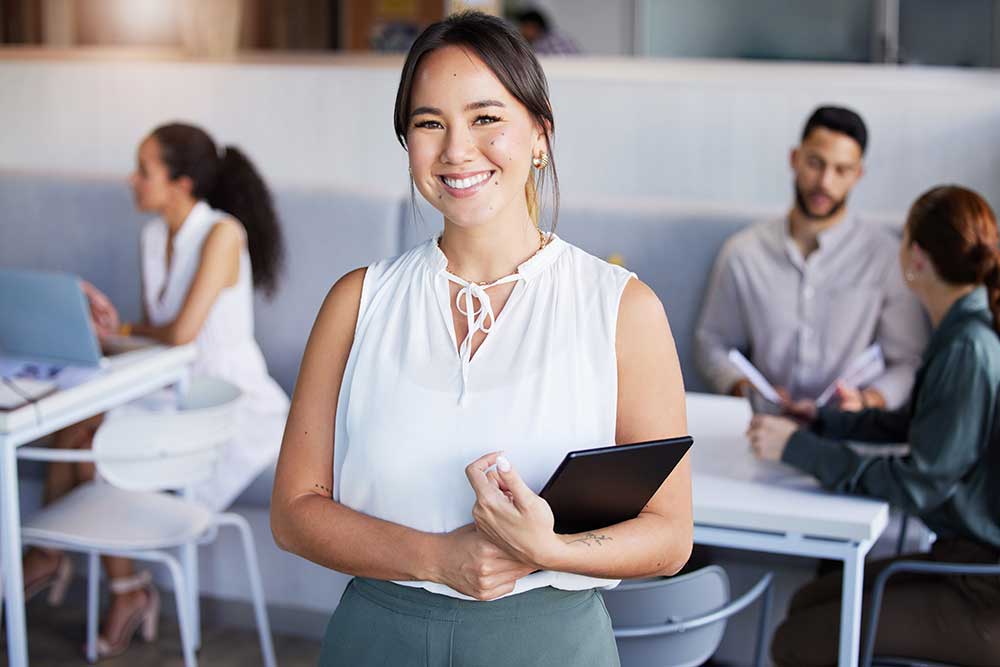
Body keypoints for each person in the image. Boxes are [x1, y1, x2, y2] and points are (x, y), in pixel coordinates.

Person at [270, 12, 691, 667]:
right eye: (429, 123)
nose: (457, 150)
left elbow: (670, 536)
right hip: (376, 637)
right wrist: (439, 557)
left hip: (547, 642)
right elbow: (294, 511)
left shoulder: (621, 308)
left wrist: (547, 550)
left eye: (486, 118)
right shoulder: (358, 300)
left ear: (540, 134)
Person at [21, 122, 290, 659]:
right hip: (168, 387)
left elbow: (180, 333)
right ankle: (113, 585)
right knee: (72, 425)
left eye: (144, 170)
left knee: (93, 443)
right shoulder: (151, 237)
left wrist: (117, 332)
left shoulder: (222, 234)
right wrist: (99, 330)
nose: (132, 179)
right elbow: (157, 329)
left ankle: (63, 562)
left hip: (222, 400)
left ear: (182, 183)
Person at [748, 185, 1000, 666]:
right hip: (964, 563)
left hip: (981, 587)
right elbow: (916, 426)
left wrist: (799, 448)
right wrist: (825, 421)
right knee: (806, 603)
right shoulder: (963, 331)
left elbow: (920, 484)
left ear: (917, 259)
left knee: (797, 640)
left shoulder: (968, 347)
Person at [695, 106, 927, 411]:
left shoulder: (886, 258)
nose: (825, 182)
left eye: (841, 170)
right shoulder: (744, 253)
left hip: (848, 433)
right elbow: (712, 343)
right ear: (795, 159)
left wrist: (867, 401)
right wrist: (745, 388)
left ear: (858, 175)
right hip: (762, 423)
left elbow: (908, 361)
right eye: (815, 164)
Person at [513, 7, 580, 55]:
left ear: (532, 27)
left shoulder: (543, 44)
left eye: (523, 27)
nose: (521, 32)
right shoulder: (557, 36)